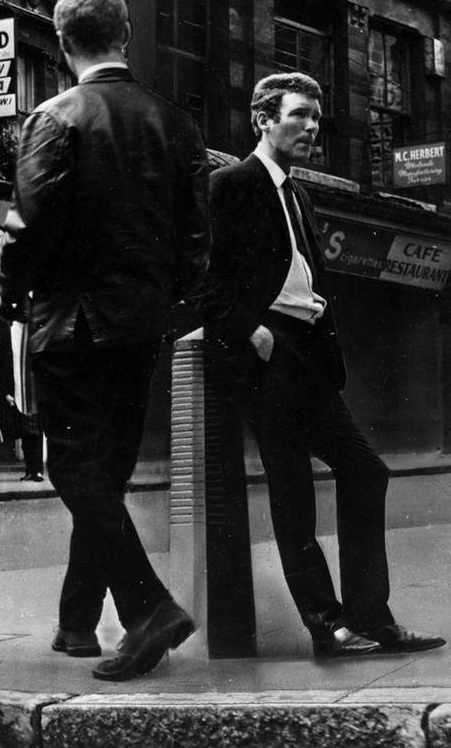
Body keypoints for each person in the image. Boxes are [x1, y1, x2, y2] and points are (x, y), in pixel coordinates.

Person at [0, 0, 209, 682]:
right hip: (141, 323)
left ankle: (148, 608)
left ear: (63, 45)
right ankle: (78, 621)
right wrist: (166, 305)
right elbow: (194, 239)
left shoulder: (54, 117)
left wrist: (14, 297)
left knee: (73, 469)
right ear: (124, 36)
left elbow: (31, 226)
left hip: (72, 324)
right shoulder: (175, 123)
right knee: (107, 472)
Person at [191, 72, 445, 658]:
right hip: (268, 354)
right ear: (264, 118)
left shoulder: (298, 194)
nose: (311, 127)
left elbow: (294, 265)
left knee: (365, 470)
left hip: (308, 353)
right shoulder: (232, 183)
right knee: (293, 493)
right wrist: (250, 331)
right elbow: (200, 273)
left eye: (315, 117)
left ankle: (371, 618)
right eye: (299, 114)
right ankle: (327, 625)